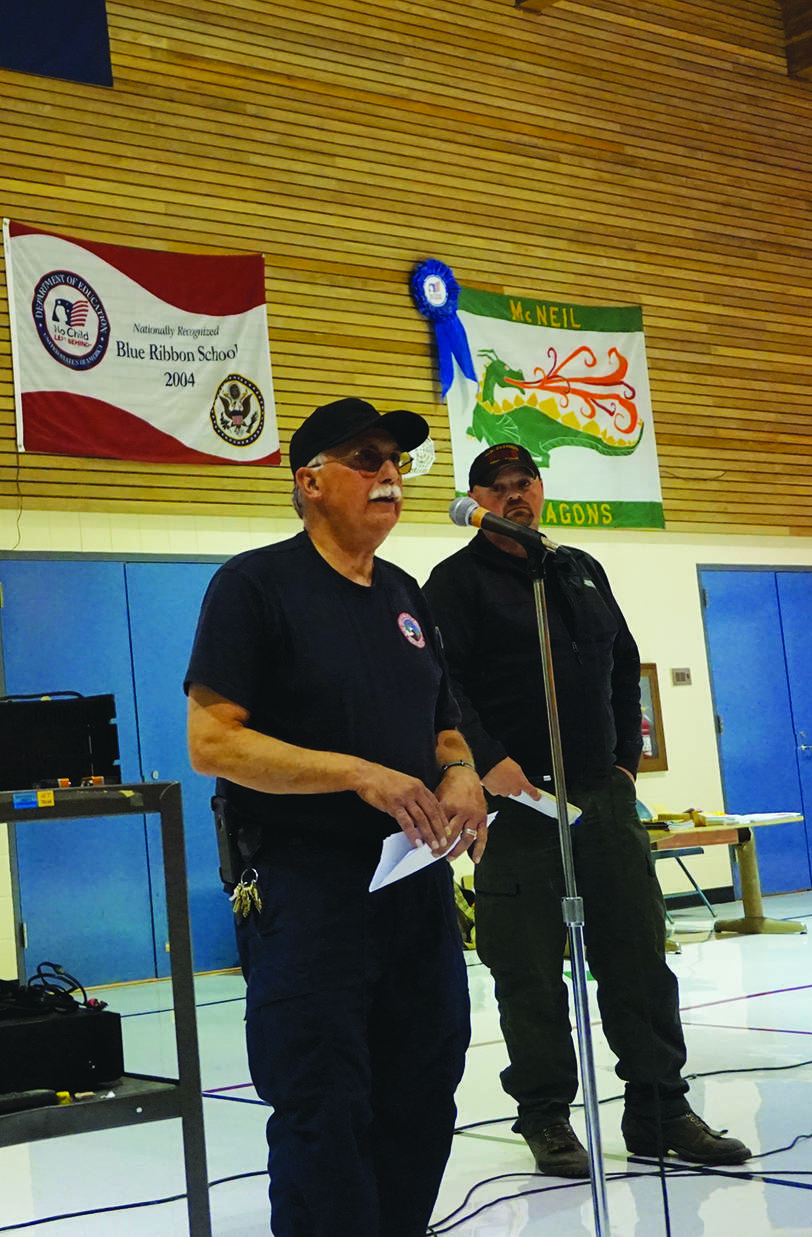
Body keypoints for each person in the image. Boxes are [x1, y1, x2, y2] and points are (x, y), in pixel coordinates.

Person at [187, 397, 487, 1237]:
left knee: (424, 1082)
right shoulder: (254, 586)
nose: (389, 473)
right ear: (310, 481)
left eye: (396, 461)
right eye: (366, 458)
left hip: (414, 884)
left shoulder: (405, 595)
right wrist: (356, 774)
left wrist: (459, 772)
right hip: (305, 890)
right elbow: (212, 742)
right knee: (325, 1097)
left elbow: (444, 722)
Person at [424, 443, 751, 1177]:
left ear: (540, 490)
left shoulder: (578, 570)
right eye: (497, 488)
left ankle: (659, 1107)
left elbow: (620, 669)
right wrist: (486, 758)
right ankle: (545, 1114)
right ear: (476, 500)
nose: (515, 497)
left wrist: (624, 767)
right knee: (530, 971)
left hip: (601, 800)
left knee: (639, 955)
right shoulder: (453, 584)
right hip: (518, 804)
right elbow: (442, 687)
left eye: (524, 484)